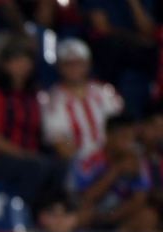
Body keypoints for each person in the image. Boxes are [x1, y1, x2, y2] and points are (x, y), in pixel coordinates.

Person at [0, 42, 66, 209]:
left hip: (32, 156)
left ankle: (51, 215)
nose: (22, 65)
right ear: (5, 65)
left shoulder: (35, 95)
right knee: (36, 168)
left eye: (26, 60)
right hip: (0, 158)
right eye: (16, 60)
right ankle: (24, 213)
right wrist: (22, 154)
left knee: (59, 167)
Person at [69, 113, 158, 232]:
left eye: (131, 138)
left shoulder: (136, 161)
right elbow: (86, 199)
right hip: (90, 213)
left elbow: (139, 199)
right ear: (109, 136)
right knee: (83, 214)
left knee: (148, 216)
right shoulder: (89, 159)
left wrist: (110, 218)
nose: (129, 143)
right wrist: (116, 171)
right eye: (124, 137)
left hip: (116, 215)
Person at [41, 38, 123, 166]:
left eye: (79, 63)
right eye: (68, 64)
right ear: (60, 67)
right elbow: (59, 140)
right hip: (77, 164)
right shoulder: (51, 99)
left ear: (88, 64)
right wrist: (82, 159)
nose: (74, 69)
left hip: (112, 158)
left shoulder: (105, 91)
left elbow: (121, 128)